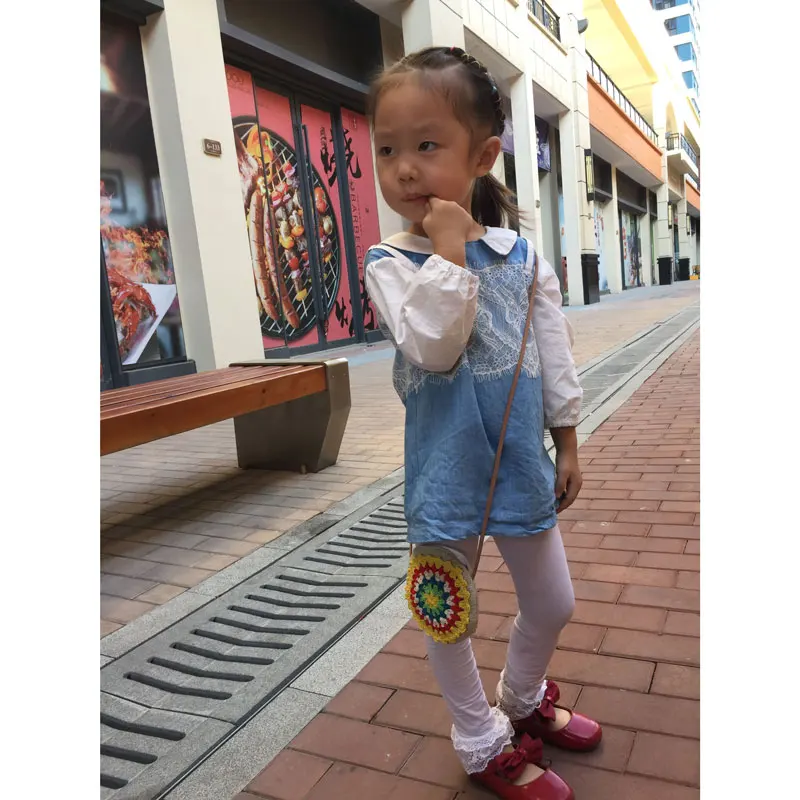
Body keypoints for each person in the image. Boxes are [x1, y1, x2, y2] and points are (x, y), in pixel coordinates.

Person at [363, 47, 602, 800]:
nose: (404, 168)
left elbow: (554, 351)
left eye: (427, 145)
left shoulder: (522, 257)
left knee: (553, 601)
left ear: (483, 155)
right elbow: (436, 346)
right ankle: (478, 737)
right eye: (387, 150)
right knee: (446, 611)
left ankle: (522, 698)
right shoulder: (389, 263)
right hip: (445, 468)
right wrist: (446, 249)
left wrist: (567, 440)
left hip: (520, 460)